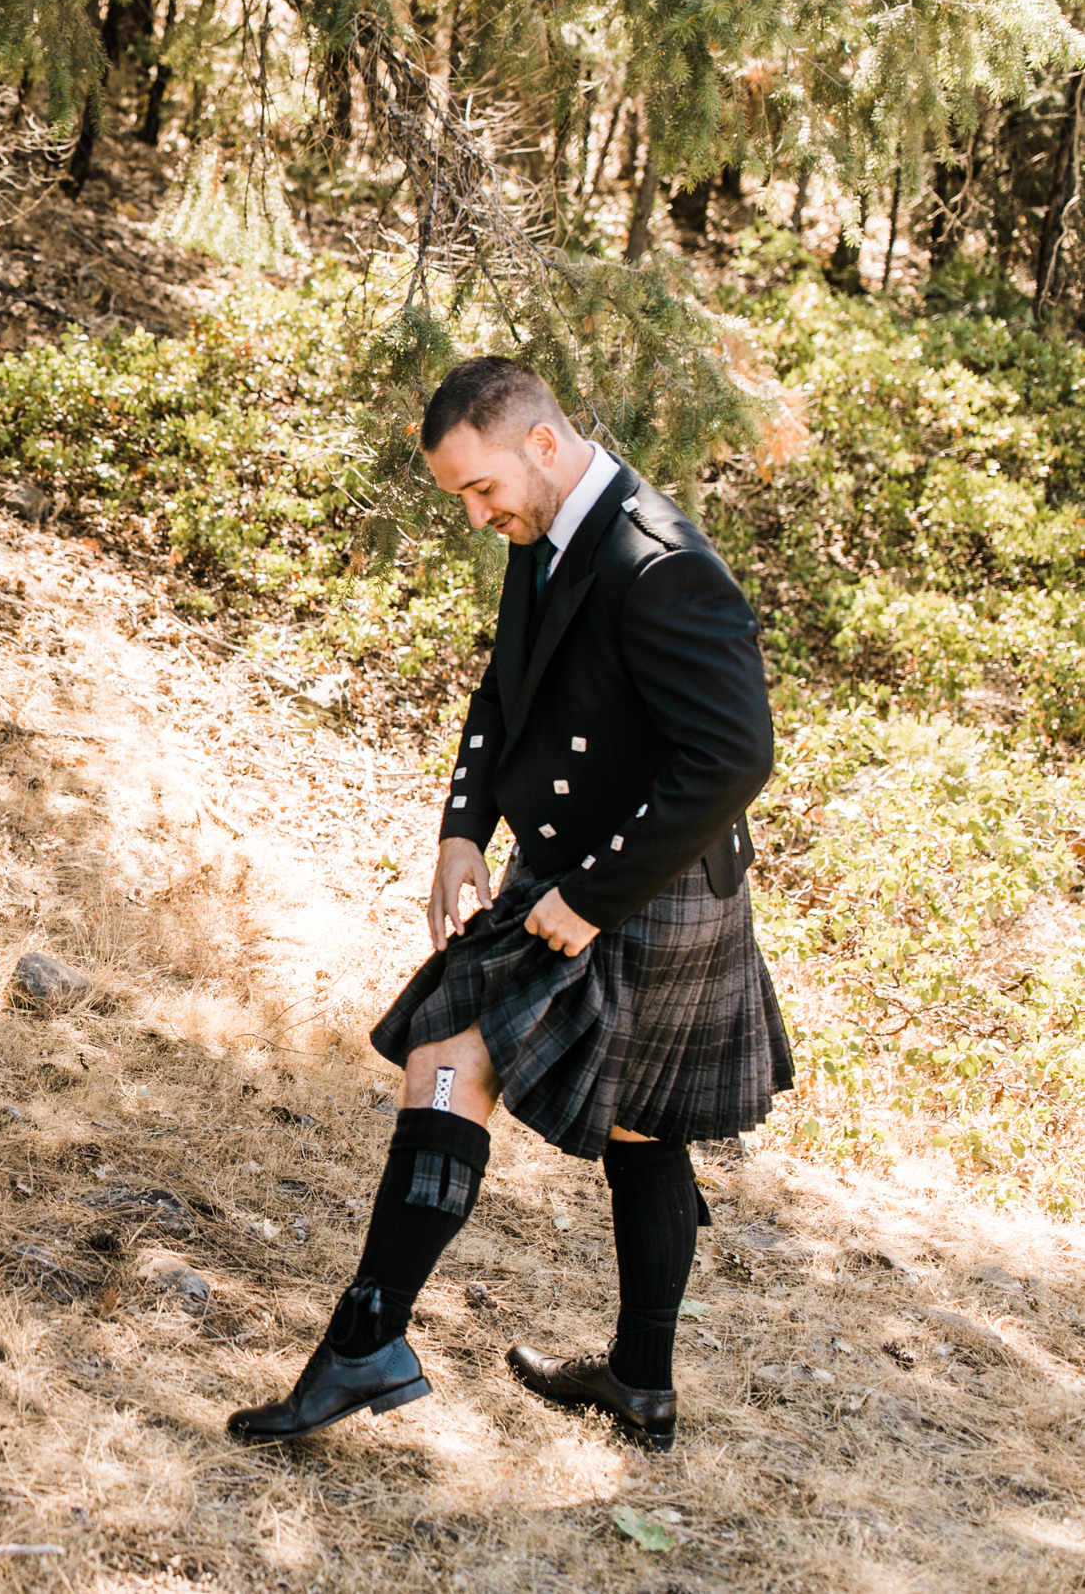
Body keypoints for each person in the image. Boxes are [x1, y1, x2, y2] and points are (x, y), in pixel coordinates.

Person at [225, 356, 791, 1454]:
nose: (477, 514)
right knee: (640, 1118)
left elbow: (733, 756)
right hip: (579, 868)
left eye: (481, 488)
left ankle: (365, 1342)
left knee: (457, 1049)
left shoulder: (657, 560)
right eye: (460, 500)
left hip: (647, 886)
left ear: (539, 441)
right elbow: (505, 687)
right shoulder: (545, 534)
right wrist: (459, 828)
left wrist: (591, 894)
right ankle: (638, 1381)